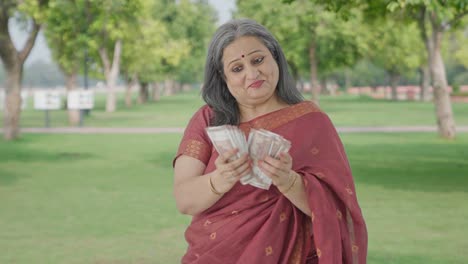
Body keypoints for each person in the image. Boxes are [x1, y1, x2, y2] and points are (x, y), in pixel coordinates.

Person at [173, 18, 367, 264]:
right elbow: (184, 200)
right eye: (237, 68)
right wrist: (221, 179)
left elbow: (336, 209)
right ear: (223, 78)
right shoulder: (208, 120)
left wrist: (289, 182)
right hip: (214, 253)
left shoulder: (312, 121)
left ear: (275, 58)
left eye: (258, 60)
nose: (252, 73)